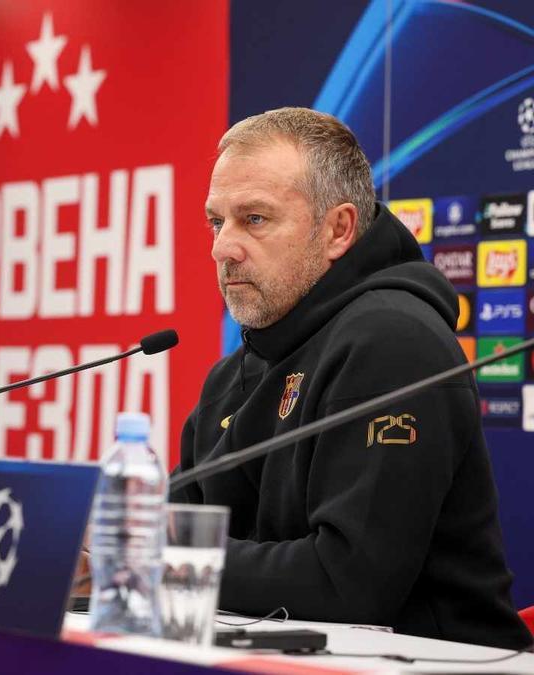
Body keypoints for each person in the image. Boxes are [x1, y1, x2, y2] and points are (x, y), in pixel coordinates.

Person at [174, 107, 532, 649]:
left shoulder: (393, 341)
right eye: (216, 221)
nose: (222, 247)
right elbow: (178, 531)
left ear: (338, 229)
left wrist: (161, 561)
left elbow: (347, 582)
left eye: (255, 219)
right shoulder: (234, 372)